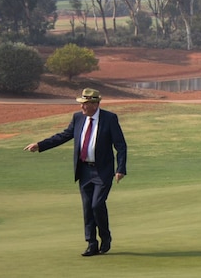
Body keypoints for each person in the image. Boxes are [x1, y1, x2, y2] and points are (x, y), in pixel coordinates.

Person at [24, 88, 127, 257]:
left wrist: (120, 168)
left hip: (102, 171)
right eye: (81, 104)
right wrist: (40, 145)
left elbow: (120, 145)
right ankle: (91, 244)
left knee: (97, 205)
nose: (82, 107)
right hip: (84, 170)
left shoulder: (109, 118)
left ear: (95, 104)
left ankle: (105, 236)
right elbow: (64, 136)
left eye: (85, 104)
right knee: (87, 208)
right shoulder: (78, 118)